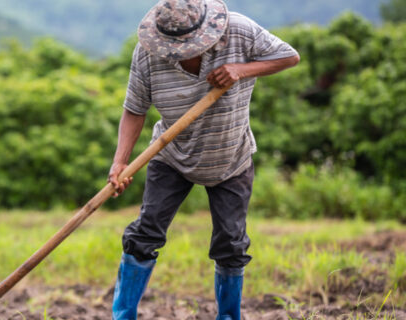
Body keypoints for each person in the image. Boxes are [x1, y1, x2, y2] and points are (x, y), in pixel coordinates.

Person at [108, 0, 300, 319]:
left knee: (231, 243)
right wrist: (120, 162)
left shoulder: (238, 30)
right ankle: (122, 315)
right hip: (170, 155)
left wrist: (241, 69)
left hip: (230, 158)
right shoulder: (147, 53)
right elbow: (134, 109)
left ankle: (228, 316)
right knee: (145, 233)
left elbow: (289, 57)